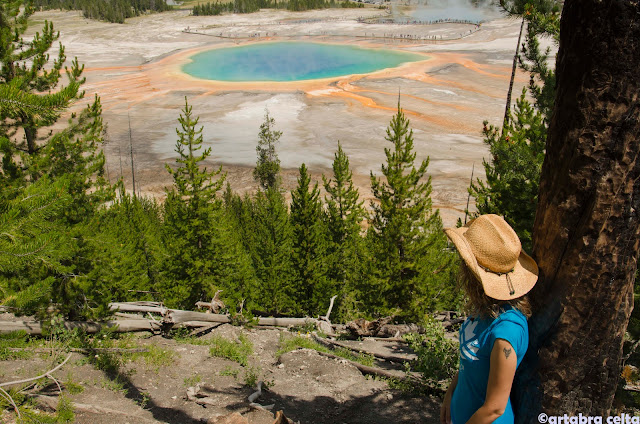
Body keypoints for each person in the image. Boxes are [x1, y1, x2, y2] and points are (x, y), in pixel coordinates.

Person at [440, 214, 539, 424]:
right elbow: (470, 358)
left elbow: (495, 408)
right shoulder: (486, 309)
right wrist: (451, 392)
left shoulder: (507, 331)